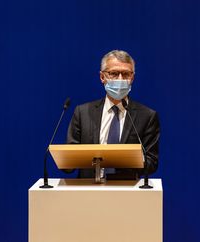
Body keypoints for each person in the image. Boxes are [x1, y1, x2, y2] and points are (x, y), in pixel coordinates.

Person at [67, 50, 160, 179]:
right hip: (88, 189)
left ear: (132, 78)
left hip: (126, 192)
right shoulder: (82, 113)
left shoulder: (147, 116)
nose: (120, 79)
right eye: (114, 74)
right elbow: (69, 161)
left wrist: (125, 159)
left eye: (126, 74)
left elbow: (152, 163)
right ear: (102, 77)